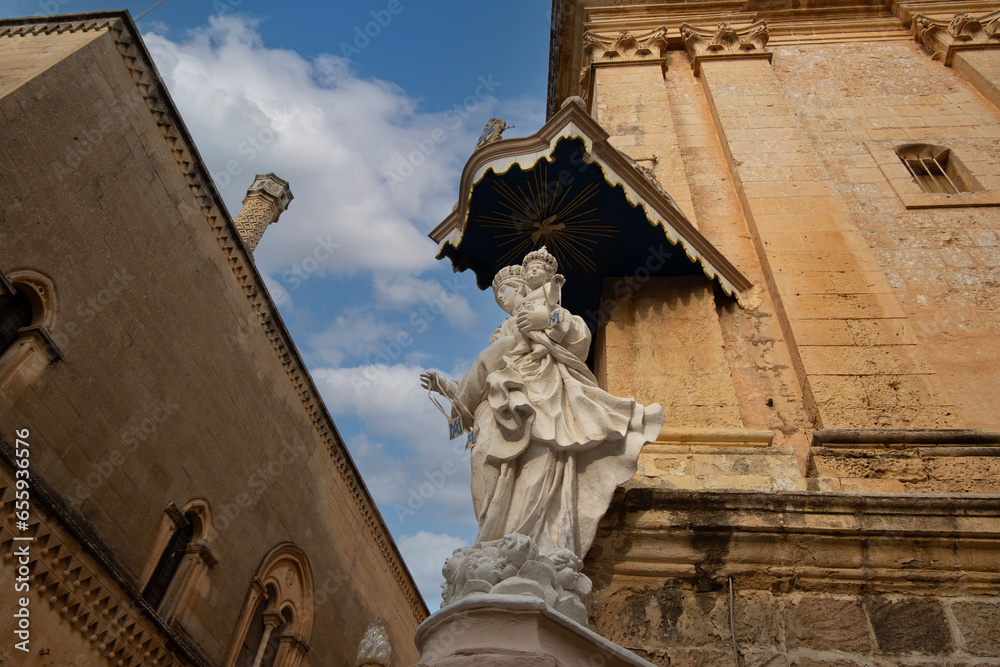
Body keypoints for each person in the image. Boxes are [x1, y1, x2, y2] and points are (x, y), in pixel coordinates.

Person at [422, 247, 664, 559]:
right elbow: (486, 369)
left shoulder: (552, 311)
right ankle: (491, 537)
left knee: (540, 457)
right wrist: (447, 388)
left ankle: (533, 542)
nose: (503, 303)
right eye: (498, 300)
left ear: (523, 288)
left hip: (543, 397)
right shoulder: (504, 333)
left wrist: (544, 317)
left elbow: (578, 338)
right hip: (500, 401)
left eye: (505, 295)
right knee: (484, 460)